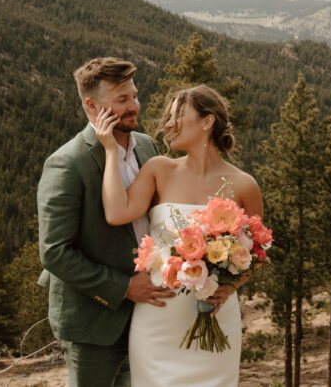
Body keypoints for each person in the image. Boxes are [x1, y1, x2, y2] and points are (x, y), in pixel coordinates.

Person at [96, 84, 264, 387]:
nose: (167, 126)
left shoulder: (244, 185)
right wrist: (110, 149)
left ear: (207, 122)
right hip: (158, 320)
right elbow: (116, 212)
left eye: (176, 116)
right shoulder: (159, 169)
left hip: (216, 318)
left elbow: (257, 254)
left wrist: (232, 285)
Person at [37, 57, 175, 387]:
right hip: (92, 320)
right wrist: (124, 287)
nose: (134, 106)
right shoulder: (67, 163)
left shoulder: (146, 145)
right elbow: (54, 252)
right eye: (122, 100)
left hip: (146, 315)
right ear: (92, 105)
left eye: (134, 96)